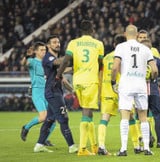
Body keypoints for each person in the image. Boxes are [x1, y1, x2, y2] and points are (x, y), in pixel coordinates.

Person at [56, 20, 104, 156]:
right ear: (92, 30)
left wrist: (58, 75)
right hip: (90, 80)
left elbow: (66, 60)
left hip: (78, 81)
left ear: (81, 31)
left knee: (88, 112)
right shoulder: (98, 44)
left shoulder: (73, 42)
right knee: (87, 112)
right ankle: (82, 148)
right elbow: (101, 63)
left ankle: (94, 146)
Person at [111, 25, 158, 156]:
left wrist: (113, 81)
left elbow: (115, 68)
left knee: (125, 116)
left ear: (125, 34)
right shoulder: (145, 48)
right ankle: (147, 149)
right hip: (140, 85)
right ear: (137, 35)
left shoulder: (120, 47)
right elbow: (154, 70)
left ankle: (123, 149)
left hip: (126, 84)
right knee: (143, 117)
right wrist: (153, 79)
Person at [97, 34, 142, 155]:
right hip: (123, 90)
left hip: (107, 91)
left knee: (105, 118)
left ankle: (101, 145)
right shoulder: (125, 56)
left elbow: (100, 75)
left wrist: (100, 90)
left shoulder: (106, 57)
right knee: (130, 117)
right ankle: (137, 146)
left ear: (114, 44)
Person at [33, 35, 78, 153]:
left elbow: (62, 77)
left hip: (55, 92)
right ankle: (72, 146)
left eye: (58, 42)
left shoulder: (55, 61)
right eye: (54, 42)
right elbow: (59, 62)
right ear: (48, 46)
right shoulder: (48, 58)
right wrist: (71, 56)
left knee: (50, 119)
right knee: (64, 119)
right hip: (53, 93)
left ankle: (39, 144)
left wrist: (72, 90)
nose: (57, 44)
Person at [20, 42, 55, 146]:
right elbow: (23, 63)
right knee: (44, 117)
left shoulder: (47, 62)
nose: (44, 52)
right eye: (41, 50)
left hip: (48, 91)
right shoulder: (32, 61)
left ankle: (44, 140)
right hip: (37, 91)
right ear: (35, 51)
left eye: (45, 50)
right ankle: (26, 127)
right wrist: (27, 55)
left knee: (53, 118)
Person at [139, 39, 160, 148]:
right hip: (153, 91)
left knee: (143, 116)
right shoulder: (156, 60)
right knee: (157, 117)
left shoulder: (137, 60)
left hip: (141, 91)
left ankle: (150, 137)